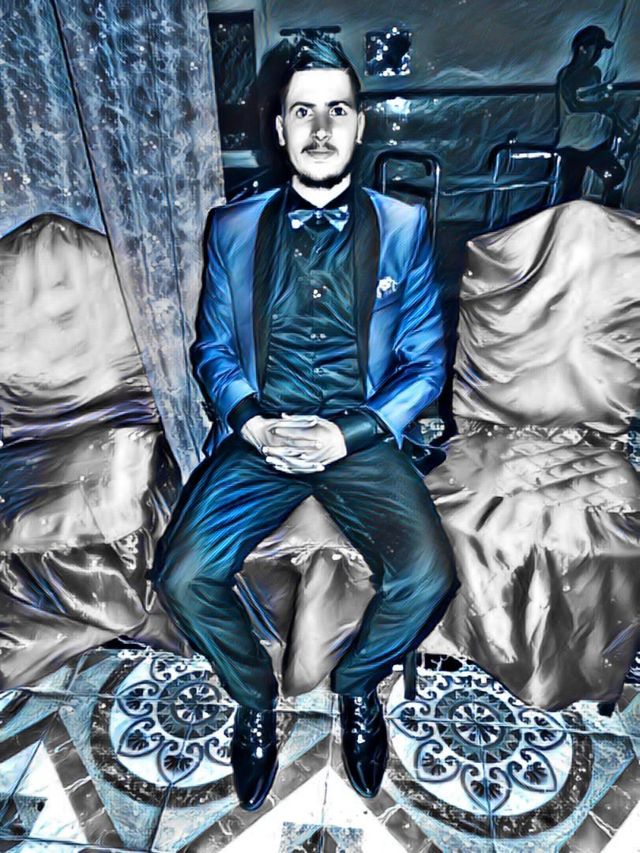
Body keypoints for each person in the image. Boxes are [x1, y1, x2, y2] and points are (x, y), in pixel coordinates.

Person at [152, 37, 458, 811]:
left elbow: (425, 363)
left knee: (429, 575)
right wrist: (251, 422)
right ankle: (255, 698)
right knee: (181, 575)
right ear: (280, 129)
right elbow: (214, 349)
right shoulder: (232, 227)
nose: (320, 128)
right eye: (303, 112)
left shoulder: (403, 226)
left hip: (358, 434)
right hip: (262, 435)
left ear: (359, 124)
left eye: (337, 110)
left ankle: (357, 687)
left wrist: (349, 434)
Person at [556, 25, 626, 204]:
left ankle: (607, 214)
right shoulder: (567, 74)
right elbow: (573, 106)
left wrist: (605, 98)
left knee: (616, 175)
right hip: (573, 144)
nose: (599, 54)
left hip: (594, 141)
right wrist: (600, 105)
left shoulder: (595, 72)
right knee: (571, 193)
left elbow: (592, 98)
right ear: (583, 49)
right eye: (598, 49)